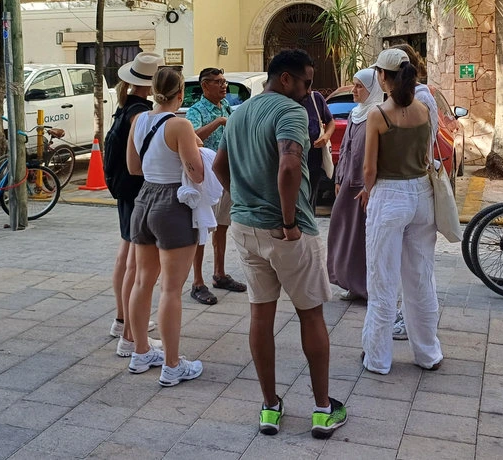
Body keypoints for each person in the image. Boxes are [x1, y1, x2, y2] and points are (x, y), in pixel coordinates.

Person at [213, 49, 348, 440]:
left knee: (260, 315)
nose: (309, 91)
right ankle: (322, 410)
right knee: (311, 315)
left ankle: (270, 406)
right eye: (306, 82)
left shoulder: (239, 113)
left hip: (246, 228)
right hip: (288, 231)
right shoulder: (290, 111)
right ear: (285, 78)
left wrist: (244, 199)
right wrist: (288, 221)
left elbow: (219, 166)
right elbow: (289, 166)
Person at [359, 48, 443, 375]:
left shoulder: (378, 114)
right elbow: (427, 155)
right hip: (422, 194)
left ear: (383, 76)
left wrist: (366, 191)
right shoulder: (424, 109)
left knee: (382, 279)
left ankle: (378, 358)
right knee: (421, 277)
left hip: (389, 195)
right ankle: (428, 353)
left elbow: (369, 168)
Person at [126, 66, 205, 386]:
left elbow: (133, 167)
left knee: (142, 281)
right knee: (171, 289)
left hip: (144, 199)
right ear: (180, 93)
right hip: (173, 203)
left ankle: (140, 351)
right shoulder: (180, 125)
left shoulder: (138, 120)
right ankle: (172, 365)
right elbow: (197, 173)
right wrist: (195, 147)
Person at [108, 52, 163, 357]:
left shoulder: (126, 106)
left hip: (122, 188)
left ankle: (122, 320)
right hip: (135, 188)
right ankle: (130, 331)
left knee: (125, 254)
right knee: (134, 263)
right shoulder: (139, 113)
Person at [388, 44, 438, 341]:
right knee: (413, 263)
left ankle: (411, 320)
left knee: (415, 265)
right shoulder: (416, 98)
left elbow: (421, 144)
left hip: (410, 184)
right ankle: (415, 322)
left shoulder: (417, 99)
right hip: (414, 184)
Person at [186, 67, 246, 306]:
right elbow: (192, 137)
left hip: (227, 174)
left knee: (222, 226)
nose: (223, 86)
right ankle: (197, 282)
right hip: (207, 178)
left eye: (224, 82)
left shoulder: (227, 106)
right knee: (202, 228)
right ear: (205, 85)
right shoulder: (196, 111)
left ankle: (219, 274)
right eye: (218, 82)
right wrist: (218, 122)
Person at [327, 68, 382, 301]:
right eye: (354, 85)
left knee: (363, 237)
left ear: (372, 89)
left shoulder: (377, 114)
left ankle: (366, 287)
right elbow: (346, 149)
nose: (354, 90)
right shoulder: (355, 114)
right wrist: (339, 177)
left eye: (360, 86)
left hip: (366, 186)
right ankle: (350, 282)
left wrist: (369, 186)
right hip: (349, 183)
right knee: (344, 231)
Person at [300, 89, 335, 212]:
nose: (308, 88)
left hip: (313, 163)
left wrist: (326, 136)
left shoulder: (315, 98)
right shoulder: (286, 99)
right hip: (292, 162)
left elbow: (330, 122)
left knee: (310, 204)